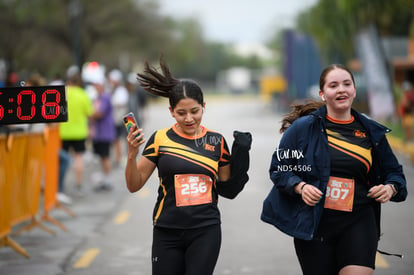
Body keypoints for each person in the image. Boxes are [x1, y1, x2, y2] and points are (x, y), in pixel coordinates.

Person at [261, 64, 407, 275]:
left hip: (360, 220)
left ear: (354, 90)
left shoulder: (371, 131)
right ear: (323, 94)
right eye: (333, 85)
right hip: (316, 223)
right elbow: (279, 169)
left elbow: (395, 173)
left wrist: (390, 188)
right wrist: (300, 187)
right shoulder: (303, 128)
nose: (341, 89)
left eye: (347, 84)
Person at [125, 57, 252, 275]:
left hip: (205, 230)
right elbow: (134, 185)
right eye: (181, 113)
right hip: (167, 230)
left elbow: (229, 189)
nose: (189, 118)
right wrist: (131, 155)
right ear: (171, 111)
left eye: (195, 111)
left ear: (203, 107)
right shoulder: (160, 139)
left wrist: (241, 154)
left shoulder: (216, 141)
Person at [59, 65, 93, 196]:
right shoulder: (83, 94)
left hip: (63, 132)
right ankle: (78, 185)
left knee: (62, 160)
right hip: (79, 132)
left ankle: (60, 187)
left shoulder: (63, 93)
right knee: (78, 158)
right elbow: (90, 113)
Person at [89, 70, 116, 191]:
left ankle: (108, 180)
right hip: (99, 133)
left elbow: (99, 113)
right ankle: (104, 179)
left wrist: (88, 114)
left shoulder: (104, 97)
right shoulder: (98, 97)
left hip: (105, 133)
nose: (95, 87)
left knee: (105, 156)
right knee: (101, 157)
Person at [108, 69, 129, 167]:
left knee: (118, 140)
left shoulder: (121, 90)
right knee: (115, 140)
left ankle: (119, 158)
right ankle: (117, 157)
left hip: (118, 119)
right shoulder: (113, 90)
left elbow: (120, 103)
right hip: (113, 119)